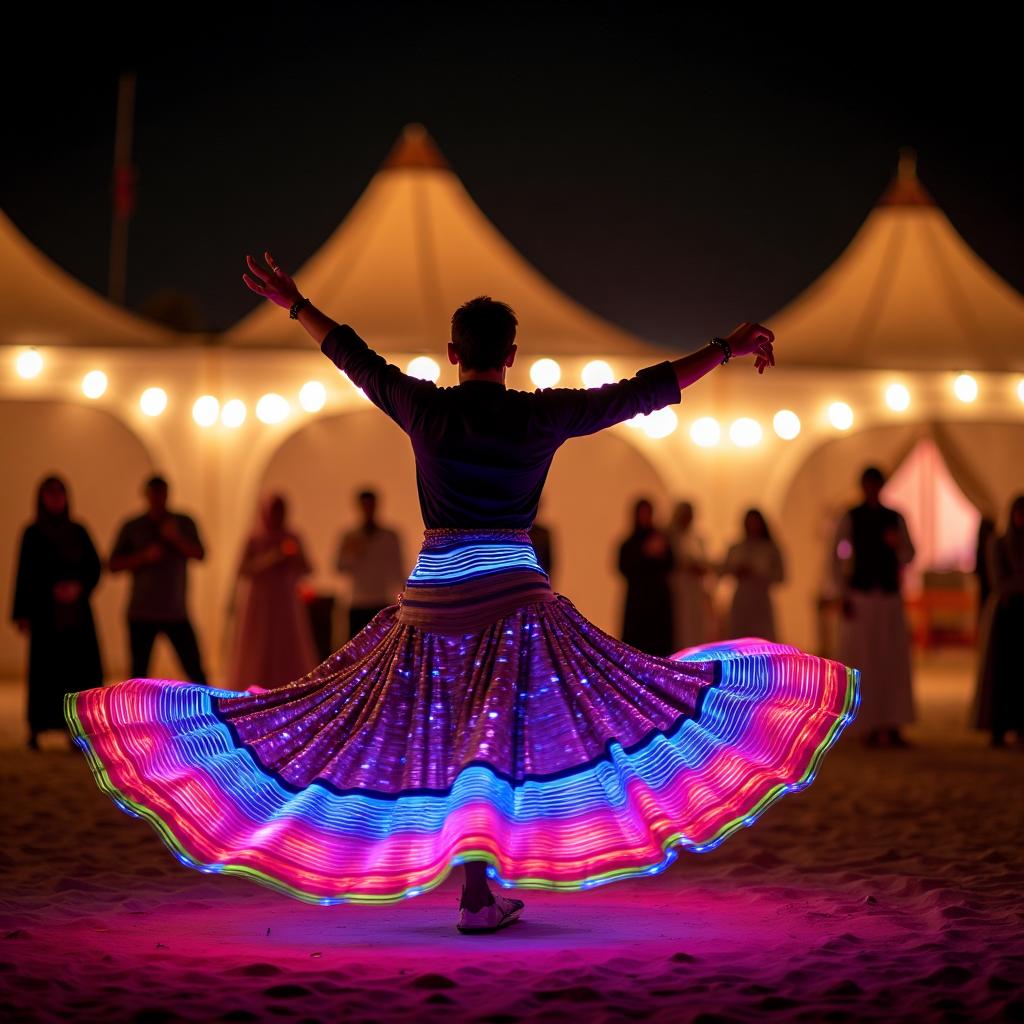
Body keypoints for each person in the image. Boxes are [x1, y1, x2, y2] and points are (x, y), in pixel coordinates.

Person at [64, 251, 858, 939]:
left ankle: (475, 889)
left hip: (434, 602)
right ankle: (478, 891)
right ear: (511, 354)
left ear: (452, 352)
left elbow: (354, 357)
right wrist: (726, 345)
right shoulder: (540, 416)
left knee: (412, 736)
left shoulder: (426, 407)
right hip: (514, 598)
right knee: (515, 738)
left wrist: (296, 303)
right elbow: (642, 390)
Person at [11, 476, 103, 751]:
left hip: (77, 617)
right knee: (44, 673)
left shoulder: (78, 531)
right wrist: (23, 612)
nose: (55, 499)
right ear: (41, 498)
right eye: (49, 494)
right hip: (45, 616)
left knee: (78, 672)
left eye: (59, 493)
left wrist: (78, 587)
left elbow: (94, 566)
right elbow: (24, 574)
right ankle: (37, 727)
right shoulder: (32, 532)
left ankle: (74, 731)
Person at [833, 466, 915, 748]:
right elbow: (836, 556)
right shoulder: (850, 518)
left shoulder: (895, 517)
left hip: (889, 596)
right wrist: (843, 593)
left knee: (892, 660)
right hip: (863, 595)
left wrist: (897, 545)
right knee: (865, 660)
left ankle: (892, 723)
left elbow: (909, 553)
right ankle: (867, 725)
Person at [108, 476, 208, 684]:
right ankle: (134, 715)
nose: (158, 500)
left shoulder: (182, 522)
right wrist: (144, 557)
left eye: (162, 495)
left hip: (176, 611)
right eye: (154, 495)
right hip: (142, 613)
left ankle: (212, 711)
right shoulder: (133, 526)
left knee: (195, 669)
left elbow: (200, 554)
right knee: (138, 675)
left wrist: (176, 539)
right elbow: (113, 564)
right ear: (146, 496)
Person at [225, 493, 318, 691]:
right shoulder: (254, 538)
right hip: (260, 602)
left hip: (285, 600)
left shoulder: (292, 537)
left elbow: (308, 568)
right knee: (259, 641)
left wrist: (294, 558)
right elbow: (243, 569)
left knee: (286, 641)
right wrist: (272, 558)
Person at [973, 495, 1024, 747]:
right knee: (1002, 673)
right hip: (1006, 616)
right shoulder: (999, 544)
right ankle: (999, 727)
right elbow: (998, 581)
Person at [335, 489, 405, 639]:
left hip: (381, 600)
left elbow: (398, 568)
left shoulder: (390, 536)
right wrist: (353, 554)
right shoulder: (350, 537)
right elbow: (339, 567)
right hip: (357, 601)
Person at [618, 499, 675, 655]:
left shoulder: (661, 540)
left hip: (658, 603)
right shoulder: (628, 544)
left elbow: (671, 565)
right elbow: (623, 568)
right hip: (637, 603)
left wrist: (659, 553)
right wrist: (645, 553)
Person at [721, 508, 785, 642]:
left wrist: (759, 573)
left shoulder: (770, 548)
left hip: (760, 600)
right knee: (740, 641)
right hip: (742, 601)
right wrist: (737, 570)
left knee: (762, 641)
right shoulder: (736, 548)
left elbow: (781, 576)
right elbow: (723, 570)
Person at [668, 500, 711, 651]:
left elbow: (706, 562)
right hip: (679, 589)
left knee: (696, 625)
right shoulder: (671, 537)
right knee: (681, 625)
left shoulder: (697, 539)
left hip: (696, 589)